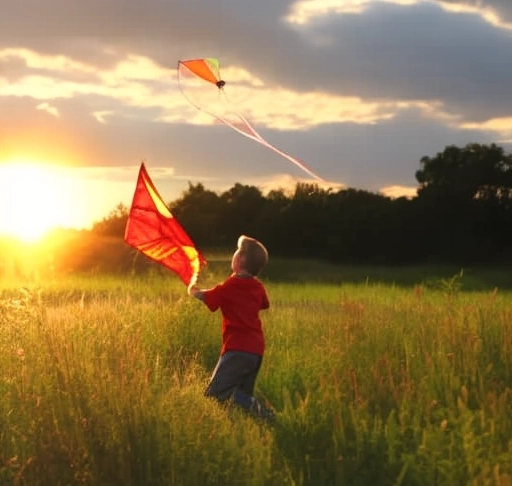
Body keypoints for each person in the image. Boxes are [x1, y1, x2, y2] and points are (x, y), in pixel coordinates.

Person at [188, 235, 274, 421]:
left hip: (237, 349)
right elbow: (264, 304)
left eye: (237, 251)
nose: (233, 255)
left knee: (216, 393)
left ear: (241, 259)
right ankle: (251, 423)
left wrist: (194, 291)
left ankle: (264, 413)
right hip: (256, 351)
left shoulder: (230, 285)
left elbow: (209, 297)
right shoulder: (258, 287)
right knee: (241, 397)